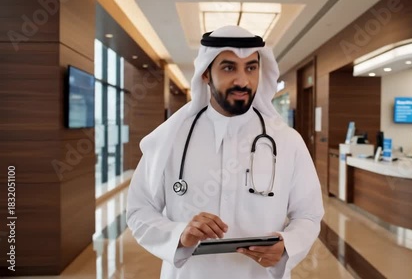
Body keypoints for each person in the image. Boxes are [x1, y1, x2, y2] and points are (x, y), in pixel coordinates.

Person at [126, 25, 324, 279]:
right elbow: (139, 210)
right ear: (206, 74)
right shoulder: (171, 138)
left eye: (251, 68)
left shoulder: (288, 141)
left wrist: (289, 245)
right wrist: (179, 234)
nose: (242, 80)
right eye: (229, 67)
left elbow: (308, 214)